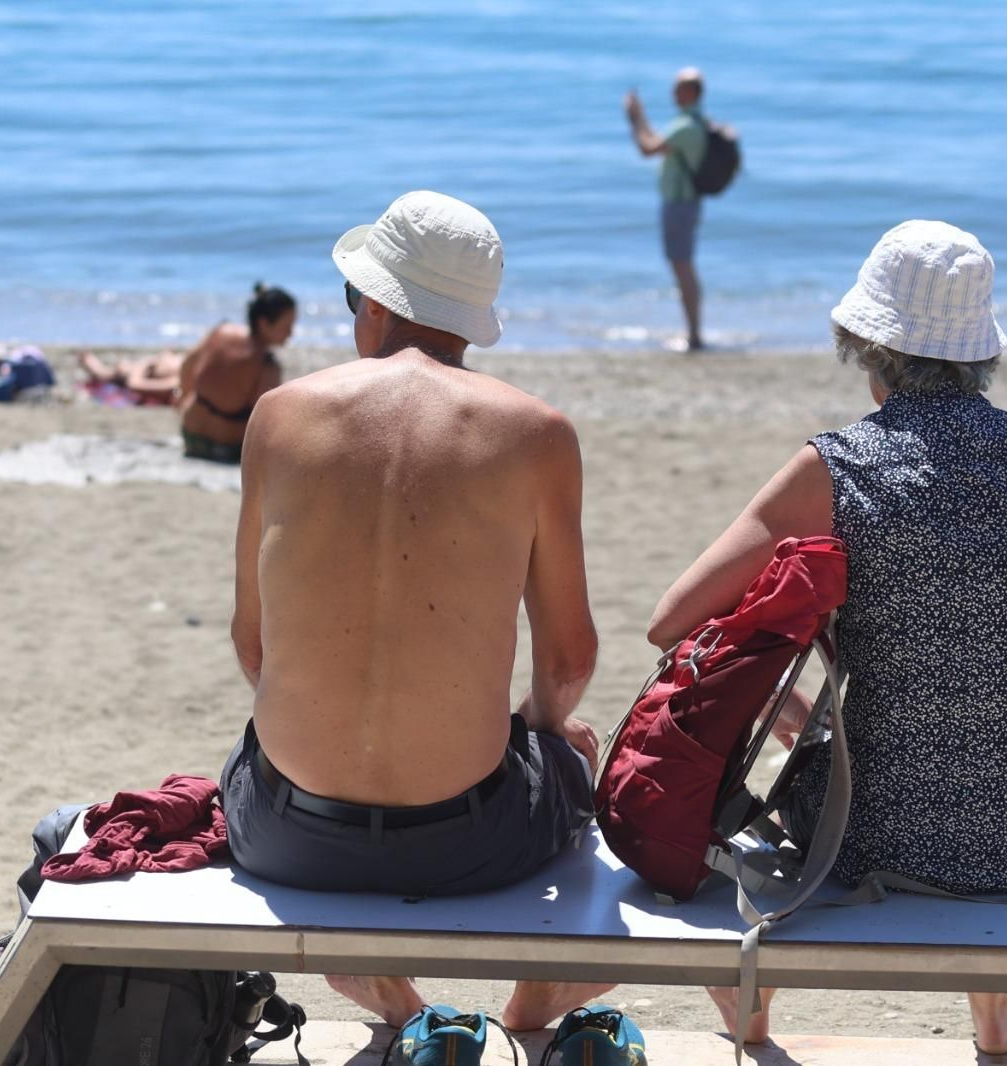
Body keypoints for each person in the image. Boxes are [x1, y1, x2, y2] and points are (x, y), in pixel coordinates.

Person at [647, 221, 1007, 1064]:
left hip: (878, 828)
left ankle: (750, 1033)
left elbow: (675, 620)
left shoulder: (842, 466)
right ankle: (996, 1037)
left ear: (866, 342)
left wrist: (785, 698)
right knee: (981, 745)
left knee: (737, 825)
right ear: (980, 350)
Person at [221, 191, 611, 1030]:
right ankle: (535, 1003)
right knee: (575, 763)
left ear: (376, 302)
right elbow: (571, 663)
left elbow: (253, 648)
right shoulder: (538, 433)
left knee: (261, 748)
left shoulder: (280, 416)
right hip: (470, 844)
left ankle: (387, 990)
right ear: (468, 321)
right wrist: (540, 730)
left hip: (288, 838)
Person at [625, 67, 710, 351]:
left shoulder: (686, 125)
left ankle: (694, 335)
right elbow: (655, 141)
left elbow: (646, 148)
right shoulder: (692, 121)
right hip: (685, 203)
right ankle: (694, 332)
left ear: (690, 92)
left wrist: (634, 117)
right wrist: (640, 117)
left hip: (680, 204)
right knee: (684, 266)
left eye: (677, 88)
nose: (673, 93)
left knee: (682, 267)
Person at [176, 284, 295, 463]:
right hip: (225, 447)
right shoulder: (267, 364)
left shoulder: (221, 331)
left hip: (190, 434)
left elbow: (187, 365)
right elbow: (264, 422)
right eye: (287, 326)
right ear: (264, 323)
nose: (291, 333)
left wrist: (185, 397)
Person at [77, 350, 184, 405]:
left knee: (122, 369)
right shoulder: (189, 373)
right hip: (150, 369)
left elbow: (135, 384)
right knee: (123, 367)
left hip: (142, 372)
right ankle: (102, 371)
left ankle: (101, 372)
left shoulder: (177, 382)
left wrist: (144, 364)